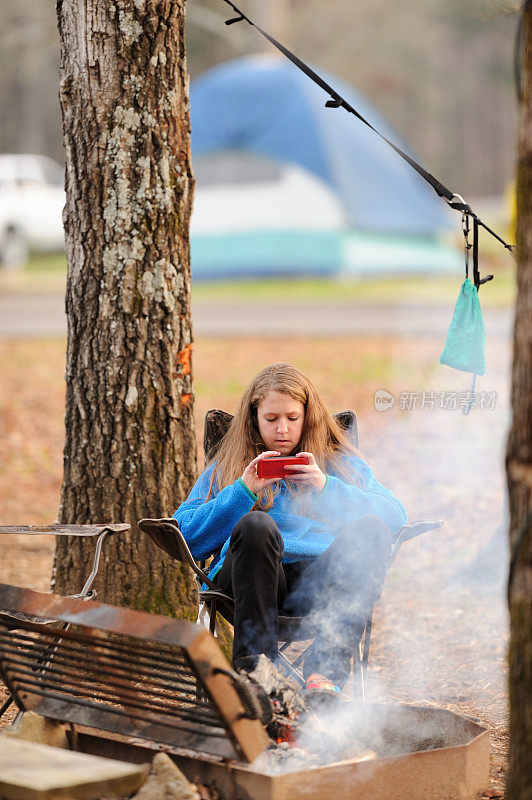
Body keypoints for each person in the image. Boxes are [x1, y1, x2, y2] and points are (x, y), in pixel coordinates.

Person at [173, 362, 407, 697]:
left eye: (292, 418)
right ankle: (258, 673)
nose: (282, 429)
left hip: (319, 587)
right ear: (254, 418)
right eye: (271, 419)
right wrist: (242, 492)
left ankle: (324, 673)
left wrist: (326, 488)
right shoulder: (228, 465)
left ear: (308, 416)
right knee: (257, 525)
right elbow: (185, 535)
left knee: (371, 529)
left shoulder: (338, 463)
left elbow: (394, 516)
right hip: (247, 581)